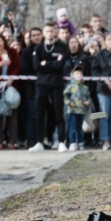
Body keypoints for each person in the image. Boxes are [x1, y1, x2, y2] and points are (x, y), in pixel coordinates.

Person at [31, 22, 67, 152]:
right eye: (47, 31)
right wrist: (53, 63)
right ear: (43, 33)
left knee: (59, 113)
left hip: (56, 84)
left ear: (55, 32)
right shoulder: (38, 48)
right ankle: (40, 141)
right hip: (41, 84)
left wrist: (46, 63)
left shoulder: (61, 47)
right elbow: (36, 66)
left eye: (52, 31)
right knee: (40, 113)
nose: (50, 33)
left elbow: (60, 65)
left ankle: (62, 141)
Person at [0, 34, 20, 149]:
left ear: (3, 41)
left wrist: (11, 78)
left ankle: (13, 142)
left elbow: (17, 67)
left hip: (11, 86)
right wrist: (0, 64)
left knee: (12, 115)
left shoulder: (12, 52)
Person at [63, 65, 91, 151]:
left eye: (81, 74)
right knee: (72, 128)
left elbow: (88, 97)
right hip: (72, 111)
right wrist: (69, 103)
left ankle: (80, 142)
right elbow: (65, 96)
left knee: (80, 128)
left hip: (81, 111)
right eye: (77, 73)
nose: (79, 75)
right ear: (73, 76)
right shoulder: (70, 86)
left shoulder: (85, 88)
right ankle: (72, 143)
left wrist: (88, 101)